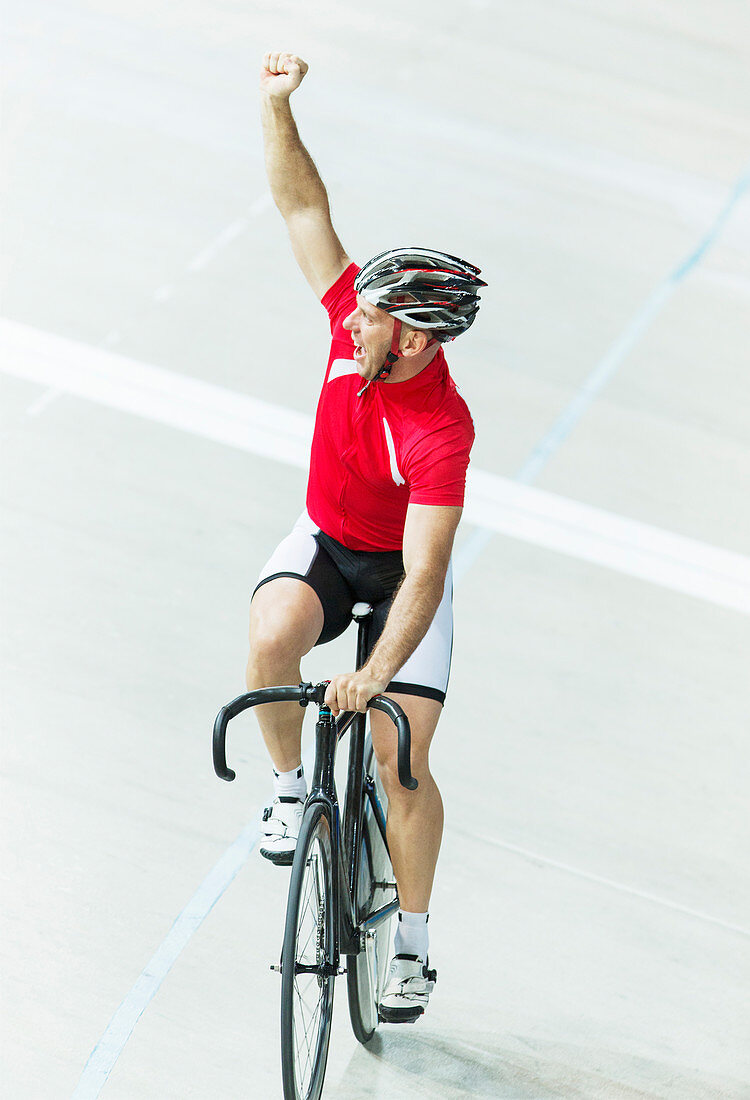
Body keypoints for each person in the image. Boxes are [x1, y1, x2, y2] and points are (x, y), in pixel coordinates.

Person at [247, 51, 485, 1023]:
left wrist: (377, 672)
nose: (358, 320)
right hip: (329, 539)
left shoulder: (441, 431)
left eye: (379, 316)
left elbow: (424, 574)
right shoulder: (355, 326)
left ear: (417, 340)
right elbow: (303, 209)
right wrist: (276, 108)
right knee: (270, 637)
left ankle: (416, 943)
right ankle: (291, 785)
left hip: (399, 583)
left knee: (400, 761)